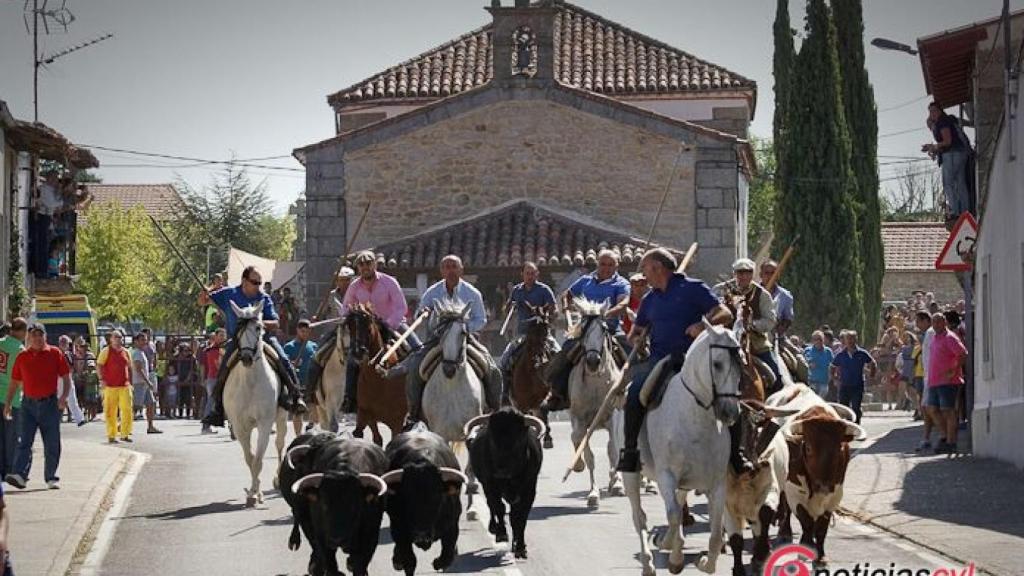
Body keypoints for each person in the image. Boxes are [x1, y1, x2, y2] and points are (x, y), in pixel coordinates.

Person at [617, 248, 735, 473]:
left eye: (645, 269)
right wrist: (637, 340)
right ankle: (631, 451)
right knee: (634, 395)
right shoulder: (649, 299)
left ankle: (736, 455)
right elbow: (635, 333)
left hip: (695, 360)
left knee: (728, 394)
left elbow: (724, 313)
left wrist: (702, 325)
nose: (644, 275)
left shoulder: (693, 288)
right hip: (661, 361)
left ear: (658, 268)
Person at [381, 254, 499, 426]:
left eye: (454, 267)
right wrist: (423, 313)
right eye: (447, 267)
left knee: (492, 368)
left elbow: (480, 320)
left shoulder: (472, 293)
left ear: (461, 270)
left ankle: (493, 409)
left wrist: (465, 329)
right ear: (442, 271)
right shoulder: (432, 292)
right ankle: (413, 413)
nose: (450, 271)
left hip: (465, 340)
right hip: (437, 341)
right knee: (414, 367)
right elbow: (419, 314)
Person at [199, 266, 307, 428]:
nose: (258, 286)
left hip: (262, 338)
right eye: (254, 282)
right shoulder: (228, 293)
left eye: (259, 282)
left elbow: (276, 322)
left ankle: (296, 396)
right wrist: (205, 293)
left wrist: (256, 323)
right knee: (223, 370)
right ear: (244, 281)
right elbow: (202, 301)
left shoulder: (264, 298)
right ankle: (217, 409)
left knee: (283, 359)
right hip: (238, 340)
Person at [322, 251, 413, 414]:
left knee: (416, 350)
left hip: (391, 325)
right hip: (364, 329)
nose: (365, 267)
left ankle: (413, 398)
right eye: (361, 264)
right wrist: (348, 318)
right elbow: (346, 308)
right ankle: (349, 399)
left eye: (368, 263)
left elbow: (401, 307)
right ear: (358, 267)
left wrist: (388, 324)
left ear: (375, 264)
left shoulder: (389, 282)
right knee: (342, 355)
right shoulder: (354, 286)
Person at [543, 249, 631, 411]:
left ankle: (630, 392)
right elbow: (567, 295)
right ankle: (557, 393)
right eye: (603, 264)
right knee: (565, 352)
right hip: (584, 328)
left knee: (630, 351)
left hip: (610, 327)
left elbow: (623, 303)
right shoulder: (585, 281)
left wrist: (606, 313)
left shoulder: (622, 284)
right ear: (597, 264)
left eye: (610, 265)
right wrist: (566, 305)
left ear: (616, 266)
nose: (606, 268)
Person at [4, 323, 71, 490]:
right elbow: (14, 382)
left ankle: (51, 477)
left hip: (49, 404)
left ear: (45, 337)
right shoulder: (22, 356)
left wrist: (63, 397)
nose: (37, 338)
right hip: (27, 404)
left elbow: (66, 377)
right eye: (33, 335)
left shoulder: (55, 353)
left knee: (52, 442)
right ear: (29, 337)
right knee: (24, 441)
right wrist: (8, 404)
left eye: (40, 335)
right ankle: (20, 475)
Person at [714, 258, 782, 393]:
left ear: (753, 274)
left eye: (748, 272)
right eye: (740, 272)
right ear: (734, 273)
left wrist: (751, 324)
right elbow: (709, 312)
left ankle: (775, 404)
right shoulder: (719, 291)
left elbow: (770, 321)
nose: (744, 276)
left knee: (775, 375)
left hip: (755, 343)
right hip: (725, 341)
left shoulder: (762, 295)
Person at [497, 262, 559, 399]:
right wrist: (508, 307)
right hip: (523, 334)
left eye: (532, 273)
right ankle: (505, 393)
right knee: (504, 360)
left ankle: (558, 392)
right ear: (522, 275)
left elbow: (555, 310)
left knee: (559, 355)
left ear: (537, 274)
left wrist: (548, 314)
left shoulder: (544, 290)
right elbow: (506, 309)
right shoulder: (516, 290)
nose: (530, 276)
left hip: (542, 334)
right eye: (527, 273)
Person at [925, 313, 968, 454]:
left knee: (948, 411)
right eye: (934, 322)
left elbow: (963, 354)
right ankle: (944, 436)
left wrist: (953, 370)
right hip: (934, 381)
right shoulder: (935, 338)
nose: (936, 325)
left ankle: (951, 442)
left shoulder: (950, 337)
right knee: (932, 409)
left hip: (948, 382)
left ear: (944, 322)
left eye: (938, 322)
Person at [922, 102, 971, 222]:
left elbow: (948, 142)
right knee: (960, 183)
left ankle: (955, 211)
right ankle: (965, 211)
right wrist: (933, 148)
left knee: (948, 183)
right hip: (960, 153)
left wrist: (934, 146)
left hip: (952, 155)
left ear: (939, 111)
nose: (931, 114)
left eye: (933, 111)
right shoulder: (945, 121)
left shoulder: (942, 122)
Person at [830, 331, 877, 424]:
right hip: (844, 385)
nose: (850, 341)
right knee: (844, 407)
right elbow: (832, 366)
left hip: (858, 384)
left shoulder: (862, 353)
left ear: (856, 339)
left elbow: (873, 363)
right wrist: (834, 378)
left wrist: (872, 375)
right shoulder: (841, 354)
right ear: (845, 340)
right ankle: (847, 426)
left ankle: (856, 424)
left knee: (856, 406)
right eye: (848, 338)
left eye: (852, 338)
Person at [0, 320, 26, 479]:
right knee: (11, 437)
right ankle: (9, 469)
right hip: (12, 398)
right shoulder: (20, 350)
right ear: (23, 332)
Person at [283, 319, 318, 436]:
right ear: (297, 330)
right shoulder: (289, 347)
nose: (305, 334)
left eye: (307, 331)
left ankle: (311, 426)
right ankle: (298, 436)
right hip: (296, 385)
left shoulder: (313, 346)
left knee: (315, 410)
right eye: (302, 331)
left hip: (312, 383)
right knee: (298, 413)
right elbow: (284, 365)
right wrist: (293, 363)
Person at [97, 330, 133, 443]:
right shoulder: (106, 351)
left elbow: (129, 367)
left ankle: (125, 433)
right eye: (116, 337)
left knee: (127, 410)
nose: (119, 340)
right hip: (110, 386)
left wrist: (130, 382)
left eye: (120, 337)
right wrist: (101, 379)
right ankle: (111, 435)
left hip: (124, 386)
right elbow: (99, 365)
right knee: (110, 411)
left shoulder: (126, 352)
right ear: (111, 339)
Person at [131, 333, 162, 435]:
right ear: (136, 341)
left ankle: (150, 426)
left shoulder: (142, 352)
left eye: (145, 340)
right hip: (139, 383)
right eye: (142, 340)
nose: (144, 342)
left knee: (151, 403)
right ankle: (122, 425)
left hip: (144, 384)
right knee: (136, 406)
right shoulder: (136, 353)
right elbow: (138, 369)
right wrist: (148, 381)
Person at [915, 311, 937, 451]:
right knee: (926, 407)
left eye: (918, 321)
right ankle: (927, 437)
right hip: (928, 376)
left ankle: (943, 436)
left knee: (929, 408)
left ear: (925, 321)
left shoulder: (930, 333)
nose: (916, 325)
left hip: (932, 376)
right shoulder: (927, 334)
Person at [198, 330, 226, 434]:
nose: (223, 337)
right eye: (221, 335)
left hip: (214, 379)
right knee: (211, 402)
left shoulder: (219, 349)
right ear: (216, 337)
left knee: (213, 402)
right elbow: (218, 366)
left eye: (224, 335)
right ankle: (205, 426)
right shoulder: (214, 350)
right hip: (214, 379)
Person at [759, 259, 794, 337]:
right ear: (761, 274)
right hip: (755, 334)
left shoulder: (785, 295)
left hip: (776, 336)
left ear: (778, 275)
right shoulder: (753, 292)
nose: (770, 276)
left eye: (773, 273)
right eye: (766, 273)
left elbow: (788, 318)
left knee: (794, 349)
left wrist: (780, 329)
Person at [70, 337, 99, 422]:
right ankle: (78, 415)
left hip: (88, 380)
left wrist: (86, 373)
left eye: (83, 346)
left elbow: (92, 366)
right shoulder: (74, 356)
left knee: (90, 399)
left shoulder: (89, 355)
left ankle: (92, 415)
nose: (82, 348)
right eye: (80, 346)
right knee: (78, 397)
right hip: (77, 379)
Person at [803, 330, 834, 397]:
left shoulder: (828, 351)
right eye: (815, 339)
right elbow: (802, 364)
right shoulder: (807, 350)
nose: (818, 341)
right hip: (811, 382)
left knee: (820, 403)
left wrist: (832, 376)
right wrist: (809, 364)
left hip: (823, 383)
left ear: (823, 339)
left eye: (820, 339)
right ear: (812, 340)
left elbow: (833, 365)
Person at [174, 343, 198, 420]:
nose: (187, 352)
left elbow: (192, 370)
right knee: (180, 398)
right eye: (185, 350)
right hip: (179, 380)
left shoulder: (191, 358)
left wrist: (187, 379)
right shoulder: (176, 358)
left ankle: (188, 414)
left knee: (188, 398)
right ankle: (180, 414)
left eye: (188, 350)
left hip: (188, 381)